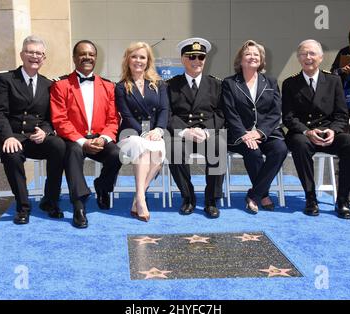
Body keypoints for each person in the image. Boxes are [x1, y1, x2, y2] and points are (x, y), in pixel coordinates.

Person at [0, 35, 66, 225]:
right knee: (13, 153)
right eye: (30, 52)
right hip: (11, 136)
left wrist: (46, 131)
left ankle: (49, 201)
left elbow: (51, 117)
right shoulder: (6, 79)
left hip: (35, 138)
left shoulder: (48, 84)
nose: (35, 56)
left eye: (39, 53)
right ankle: (23, 206)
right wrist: (7, 136)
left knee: (58, 145)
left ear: (44, 58)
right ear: (22, 54)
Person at [282, 39, 350, 219]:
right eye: (303, 54)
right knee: (300, 144)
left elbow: (341, 114)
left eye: (312, 53)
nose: (308, 57)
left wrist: (333, 130)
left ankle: (343, 199)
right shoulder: (290, 83)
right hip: (303, 134)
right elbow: (288, 117)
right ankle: (310, 198)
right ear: (298, 58)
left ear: (321, 57)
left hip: (329, 133)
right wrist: (307, 131)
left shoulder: (333, 81)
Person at [50, 40, 121, 229]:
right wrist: (82, 142)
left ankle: (103, 187)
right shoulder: (61, 85)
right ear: (74, 58)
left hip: (99, 137)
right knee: (72, 153)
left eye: (91, 54)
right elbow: (60, 120)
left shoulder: (108, 86)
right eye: (82, 54)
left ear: (96, 58)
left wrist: (103, 138)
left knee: (117, 154)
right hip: (74, 139)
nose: (87, 57)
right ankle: (79, 206)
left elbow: (113, 119)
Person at [221, 40, 287, 214]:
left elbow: (276, 111)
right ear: (240, 60)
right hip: (239, 134)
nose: (252, 57)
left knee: (280, 149)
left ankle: (254, 193)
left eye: (256, 54)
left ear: (261, 60)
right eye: (248, 54)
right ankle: (263, 195)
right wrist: (244, 134)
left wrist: (259, 132)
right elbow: (230, 112)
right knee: (254, 153)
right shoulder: (229, 83)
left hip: (267, 132)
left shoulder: (271, 82)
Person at [166, 37, 226, 219]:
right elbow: (168, 113)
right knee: (174, 149)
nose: (197, 61)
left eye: (201, 57)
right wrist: (185, 131)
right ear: (183, 59)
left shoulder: (216, 84)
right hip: (182, 134)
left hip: (207, 134)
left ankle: (211, 201)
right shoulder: (170, 85)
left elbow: (222, 113)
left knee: (219, 146)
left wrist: (206, 131)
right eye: (191, 57)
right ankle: (188, 197)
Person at [115, 42, 169, 222]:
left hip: (155, 132)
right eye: (134, 56)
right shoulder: (121, 87)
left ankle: (138, 197)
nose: (138, 60)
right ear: (128, 60)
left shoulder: (158, 84)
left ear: (148, 61)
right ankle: (141, 199)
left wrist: (159, 129)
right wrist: (144, 133)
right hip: (130, 134)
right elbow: (127, 115)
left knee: (159, 151)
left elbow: (163, 109)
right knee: (142, 147)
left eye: (142, 57)